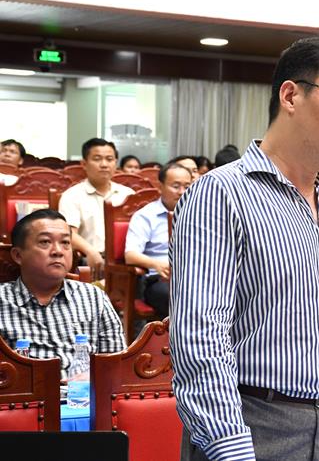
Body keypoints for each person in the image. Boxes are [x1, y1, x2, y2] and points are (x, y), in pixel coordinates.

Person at [169, 37, 319, 461]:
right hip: (252, 422)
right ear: (290, 95)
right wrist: (230, 445)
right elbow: (200, 337)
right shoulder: (221, 194)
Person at [0, 209, 125, 378]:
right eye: (45, 242)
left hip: (84, 392)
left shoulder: (94, 297)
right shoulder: (3, 301)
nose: (58, 251)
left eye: (65, 242)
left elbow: (117, 363)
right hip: (26, 393)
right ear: (18, 255)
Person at [124, 162, 193, 317]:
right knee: (179, 297)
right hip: (159, 279)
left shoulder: (199, 214)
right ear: (160, 187)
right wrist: (157, 264)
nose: (182, 192)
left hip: (193, 277)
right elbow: (130, 255)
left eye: (187, 186)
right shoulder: (145, 216)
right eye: (176, 186)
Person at [58, 138, 135, 271]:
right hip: (90, 259)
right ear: (84, 164)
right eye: (97, 159)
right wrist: (90, 251)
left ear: (116, 163)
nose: (104, 164)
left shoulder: (128, 194)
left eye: (109, 159)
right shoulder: (72, 196)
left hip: (126, 261)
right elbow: (68, 233)